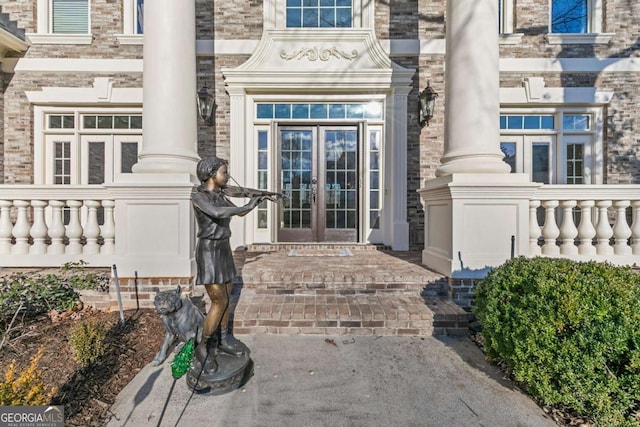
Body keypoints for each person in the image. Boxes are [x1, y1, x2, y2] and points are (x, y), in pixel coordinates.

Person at [191, 156, 273, 373]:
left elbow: (240, 211)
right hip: (209, 251)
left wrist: (256, 200)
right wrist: (244, 204)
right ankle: (204, 347)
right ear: (211, 174)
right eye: (224, 172)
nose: (227, 176)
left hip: (223, 249)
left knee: (227, 297)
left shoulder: (220, 195)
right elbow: (217, 214)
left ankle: (224, 338)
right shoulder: (199, 196)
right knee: (219, 301)